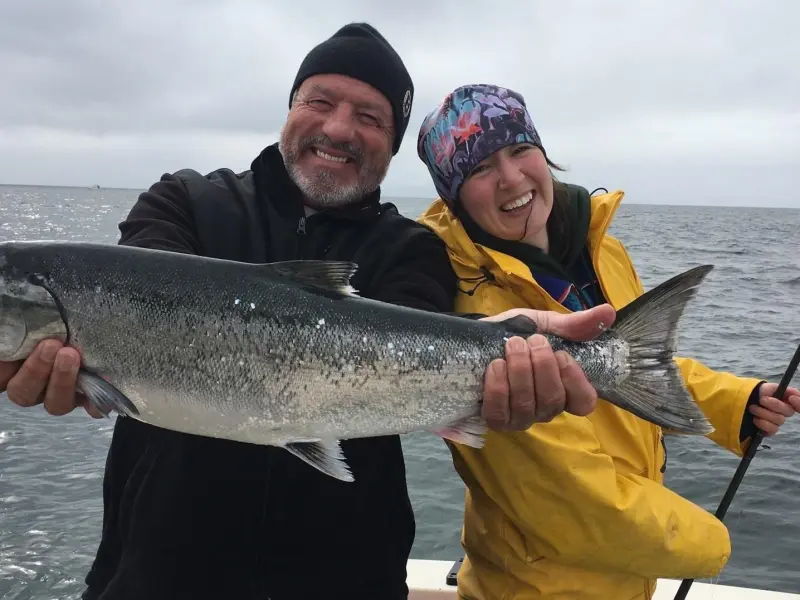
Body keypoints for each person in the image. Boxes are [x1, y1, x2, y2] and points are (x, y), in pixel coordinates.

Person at [1, 30, 612, 600]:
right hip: (154, 575)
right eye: (320, 101)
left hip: (348, 579)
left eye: (370, 117)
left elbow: (415, 336)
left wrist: (502, 350)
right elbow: (142, 285)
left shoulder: (411, 248)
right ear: (291, 107)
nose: (339, 128)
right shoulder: (185, 201)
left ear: (392, 144)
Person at [416, 83, 800, 600]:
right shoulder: (476, 313)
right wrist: (717, 547)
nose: (511, 177)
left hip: (625, 578)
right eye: (479, 169)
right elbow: (572, 500)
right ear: (453, 195)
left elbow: (632, 363)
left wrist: (737, 404)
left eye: (519, 149)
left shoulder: (604, 250)